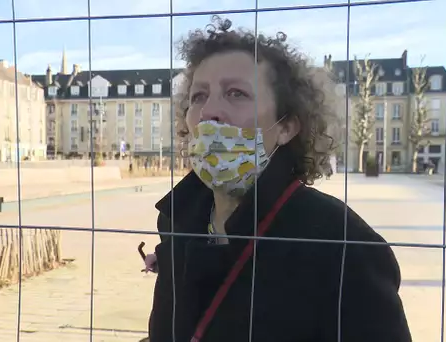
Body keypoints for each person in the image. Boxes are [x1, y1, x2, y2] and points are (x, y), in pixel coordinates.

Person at [144, 16, 411, 342]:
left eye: (236, 93)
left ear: (286, 127)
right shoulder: (177, 218)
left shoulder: (340, 242)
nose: (208, 111)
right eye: (198, 96)